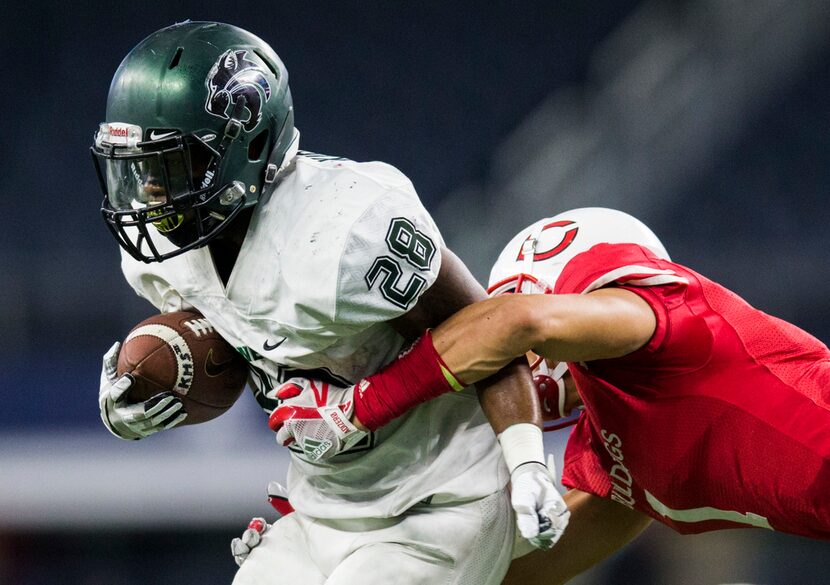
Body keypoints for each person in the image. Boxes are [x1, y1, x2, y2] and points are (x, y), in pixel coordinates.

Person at [91, 21, 567, 585]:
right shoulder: (163, 255)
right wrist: (149, 388)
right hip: (321, 506)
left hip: (437, 497)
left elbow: (494, 330)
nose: (149, 190)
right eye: (139, 167)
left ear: (248, 145)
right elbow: (249, 333)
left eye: (172, 166)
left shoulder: (348, 231)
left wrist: (527, 462)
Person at [269, 206, 830, 583]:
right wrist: (338, 539)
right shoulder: (617, 449)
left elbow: (515, 325)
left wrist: (359, 409)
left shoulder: (668, 320)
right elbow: (515, 573)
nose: (510, 371)